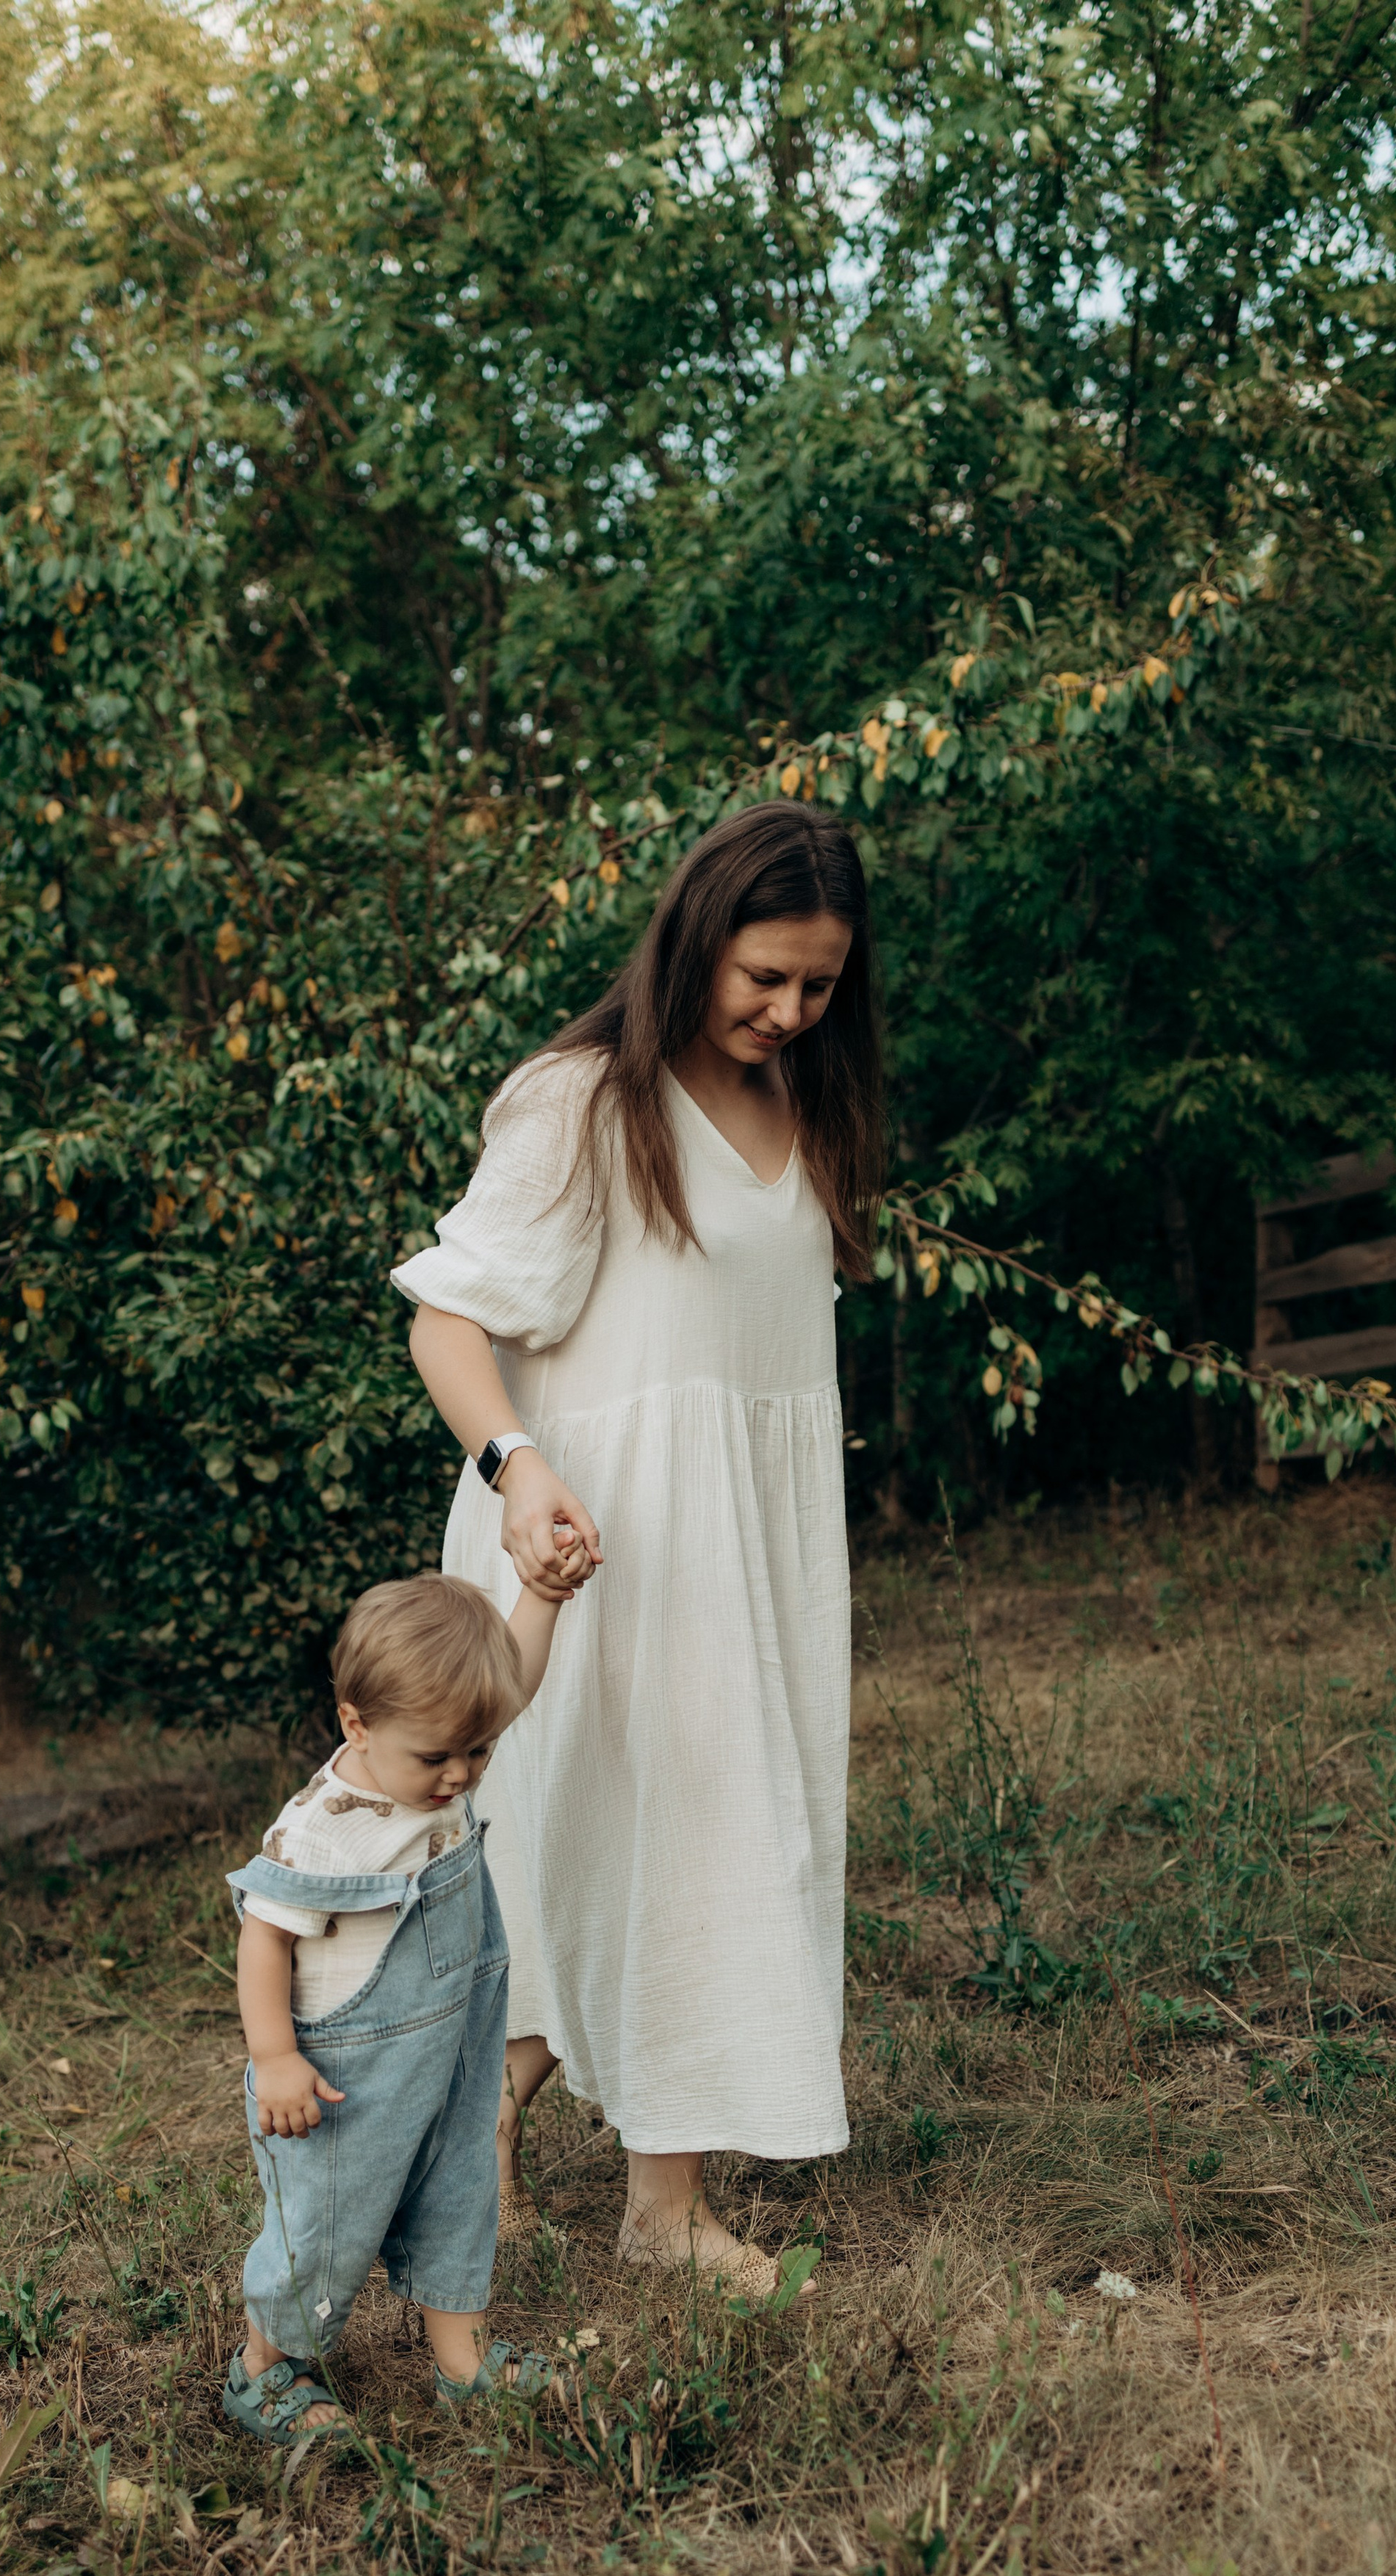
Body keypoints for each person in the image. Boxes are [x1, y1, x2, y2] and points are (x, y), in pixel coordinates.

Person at [392, 800, 881, 2301]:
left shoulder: (806, 1105)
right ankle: (621, 2197)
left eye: (818, 985)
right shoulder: (582, 1101)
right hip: (591, 1530)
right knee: (627, 1837)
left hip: (748, 1544)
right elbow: (448, 1323)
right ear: (694, 940)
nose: (788, 1011)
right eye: (763, 978)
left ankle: (569, 2160)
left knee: (698, 1829)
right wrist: (519, 1466)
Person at [221, 1562, 582, 2445]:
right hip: (344, 2076)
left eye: (477, 1752)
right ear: (357, 1723)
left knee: (460, 2196)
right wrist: (276, 2057)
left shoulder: (433, 1758)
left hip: (449, 2051)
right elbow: (263, 1940)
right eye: (438, 1757)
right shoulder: (323, 1828)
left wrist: (541, 1598)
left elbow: (511, 1682)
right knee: (327, 2226)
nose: (460, 1775)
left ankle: (463, 2362)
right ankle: (265, 2366)